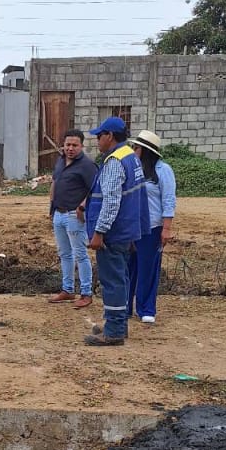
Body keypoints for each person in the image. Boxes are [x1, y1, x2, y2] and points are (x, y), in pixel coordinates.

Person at [82, 116, 149, 347]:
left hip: (113, 233)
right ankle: (117, 324)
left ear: (109, 136)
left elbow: (111, 202)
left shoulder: (114, 162)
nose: (97, 140)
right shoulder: (131, 157)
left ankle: (114, 331)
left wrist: (99, 232)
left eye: (99, 136)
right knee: (121, 278)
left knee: (112, 281)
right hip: (126, 230)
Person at [128, 129, 177, 326]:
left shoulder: (163, 170)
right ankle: (125, 306)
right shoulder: (133, 170)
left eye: (136, 147)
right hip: (132, 227)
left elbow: (168, 200)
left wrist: (166, 228)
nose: (133, 150)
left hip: (152, 227)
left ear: (145, 151)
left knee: (148, 268)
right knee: (129, 267)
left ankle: (146, 308)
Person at [47, 129, 98, 309]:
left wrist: (82, 207)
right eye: (67, 144)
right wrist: (51, 207)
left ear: (81, 146)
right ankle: (67, 289)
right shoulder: (60, 161)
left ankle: (86, 293)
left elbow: (94, 190)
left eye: (74, 145)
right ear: (63, 145)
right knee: (64, 254)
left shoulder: (87, 166)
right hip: (59, 214)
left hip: (74, 215)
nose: (70, 148)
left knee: (80, 254)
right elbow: (55, 182)